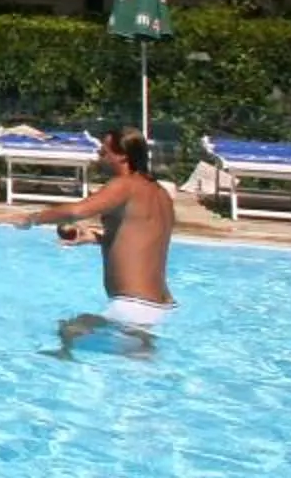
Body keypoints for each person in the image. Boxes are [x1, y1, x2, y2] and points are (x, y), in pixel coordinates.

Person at [11, 126, 177, 354]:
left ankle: (63, 361)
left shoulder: (124, 185)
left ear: (122, 155)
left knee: (68, 330)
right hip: (162, 304)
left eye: (103, 152)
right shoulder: (160, 193)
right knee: (139, 369)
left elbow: (76, 212)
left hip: (133, 305)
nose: (99, 157)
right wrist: (96, 237)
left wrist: (32, 218)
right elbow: (145, 237)